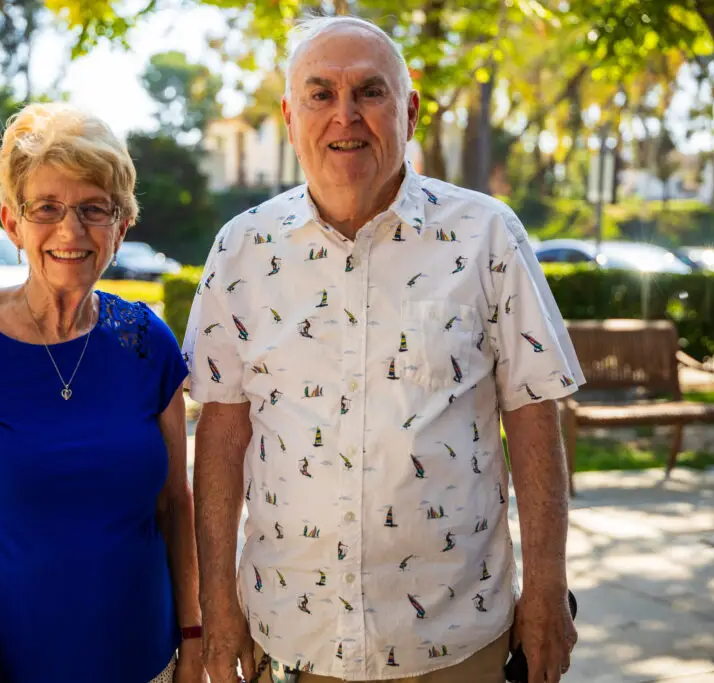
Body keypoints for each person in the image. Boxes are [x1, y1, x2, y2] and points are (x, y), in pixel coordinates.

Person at [184, 16, 583, 683]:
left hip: (456, 638)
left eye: (370, 91)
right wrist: (216, 600)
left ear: (410, 109)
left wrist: (546, 586)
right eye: (320, 94)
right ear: (289, 114)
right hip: (294, 635)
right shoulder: (241, 249)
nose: (346, 115)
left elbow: (534, 414)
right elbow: (221, 431)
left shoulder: (487, 235)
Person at [0, 102, 205, 683]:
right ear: (13, 223)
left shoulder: (145, 342)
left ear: (122, 225)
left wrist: (194, 638)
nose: (71, 230)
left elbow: (175, 504)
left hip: (142, 663)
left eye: (93, 209)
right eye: (47, 208)